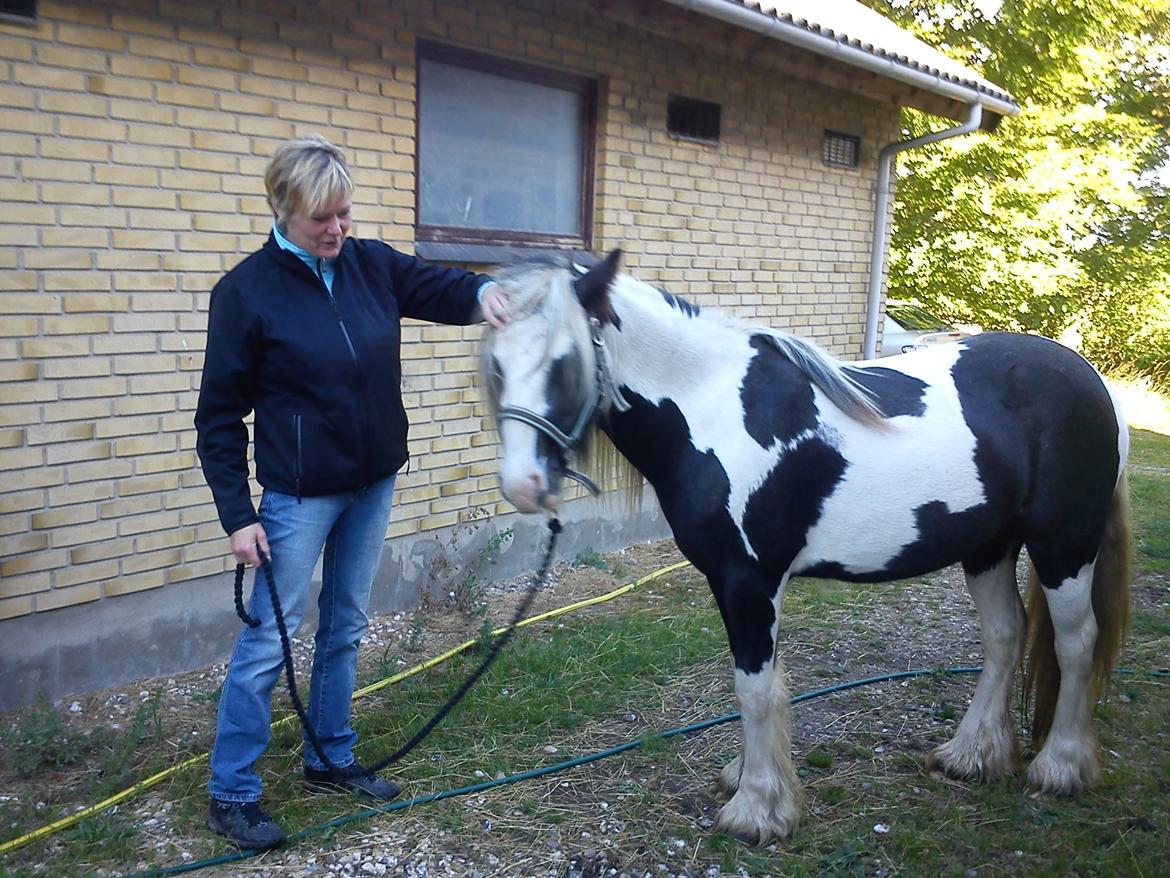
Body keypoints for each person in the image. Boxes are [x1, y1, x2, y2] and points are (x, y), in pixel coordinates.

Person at [194, 134, 509, 850]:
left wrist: (485, 289)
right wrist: (238, 517)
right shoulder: (245, 293)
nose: (337, 229)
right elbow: (217, 418)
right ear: (280, 208)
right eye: (321, 219)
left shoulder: (369, 263)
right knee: (268, 643)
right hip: (298, 497)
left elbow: (440, 286)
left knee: (346, 627)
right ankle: (232, 792)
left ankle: (329, 755)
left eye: (344, 213)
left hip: (372, 482)